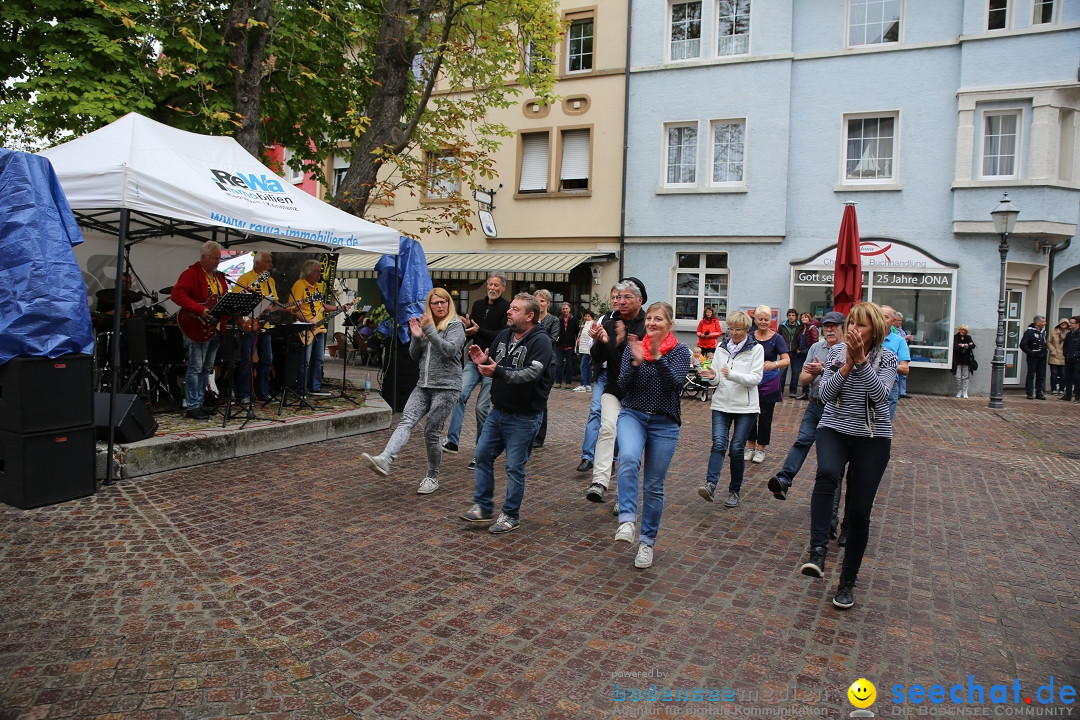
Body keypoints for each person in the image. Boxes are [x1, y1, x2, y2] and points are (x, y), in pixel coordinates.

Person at [799, 302, 898, 611]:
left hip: (873, 438)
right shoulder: (835, 353)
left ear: (876, 330)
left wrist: (861, 364)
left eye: (862, 325)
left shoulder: (889, 358)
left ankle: (847, 582)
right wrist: (846, 365)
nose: (854, 329)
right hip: (835, 428)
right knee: (827, 473)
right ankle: (817, 551)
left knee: (858, 513)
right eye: (852, 323)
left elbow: (881, 398)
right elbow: (823, 394)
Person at [459, 293, 553, 533]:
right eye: (510, 308)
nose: (508, 311)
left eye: (515, 309)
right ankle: (483, 507)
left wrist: (497, 371)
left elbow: (530, 375)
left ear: (529, 316)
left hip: (525, 417)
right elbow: (494, 363)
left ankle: (511, 515)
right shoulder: (504, 335)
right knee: (481, 455)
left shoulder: (540, 341)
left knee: (514, 467)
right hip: (498, 412)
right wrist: (483, 361)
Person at [359, 288, 466, 494]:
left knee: (431, 433)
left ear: (449, 303)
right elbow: (415, 355)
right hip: (423, 385)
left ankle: (432, 477)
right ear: (430, 305)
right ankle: (385, 459)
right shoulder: (427, 326)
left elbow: (449, 350)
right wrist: (416, 337)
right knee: (406, 421)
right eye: (435, 303)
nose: (440, 306)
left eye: (444, 301)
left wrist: (428, 331)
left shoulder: (455, 325)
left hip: (447, 388)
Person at [613, 302, 692, 569]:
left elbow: (675, 384)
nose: (652, 323)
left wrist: (657, 357)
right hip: (633, 414)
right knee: (629, 459)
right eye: (649, 318)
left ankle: (646, 543)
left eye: (658, 319)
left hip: (664, 422)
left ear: (670, 325)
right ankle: (626, 520)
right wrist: (636, 362)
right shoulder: (633, 347)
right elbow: (623, 385)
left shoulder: (681, 351)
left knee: (654, 486)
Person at [765, 311, 846, 502]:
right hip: (815, 405)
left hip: (836, 409)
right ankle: (784, 479)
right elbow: (802, 379)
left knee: (833, 460)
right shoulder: (816, 347)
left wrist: (824, 370)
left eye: (834, 326)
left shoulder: (848, 350)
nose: (829, 329)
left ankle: (830, 511)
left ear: (843, 327)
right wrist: (815, 373)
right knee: (803, 440)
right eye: (826, 326)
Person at [585, 278, 647, 502]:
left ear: (640, 300)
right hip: (613, 388)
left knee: (629, 446)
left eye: (627, 297)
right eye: (619, 297)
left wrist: (620, 343)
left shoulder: (647, 325)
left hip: (639, 393)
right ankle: (599, 482)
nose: (621, 301)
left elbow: (639, 362)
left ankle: (625, 495)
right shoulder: (610, 324)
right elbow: (598, 359)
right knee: (607, 429)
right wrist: (601, 342)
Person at [695, 311, 763, 509]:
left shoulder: (756, 349)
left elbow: (755, 378)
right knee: (718, 444)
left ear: (747, 330)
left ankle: (734, 490)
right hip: (721, 403)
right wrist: (711, 375)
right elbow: (717, 378)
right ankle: (710, 485)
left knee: (736, 448)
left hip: (746, 407)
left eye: (738, 329)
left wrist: (731, 374)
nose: (734, 333)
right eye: (731, 328)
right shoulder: (721, 348)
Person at [444, 272, 510, 457]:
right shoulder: (478, 305)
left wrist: (480, 330)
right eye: (490, 284)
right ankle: (452, 442)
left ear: (503, 288)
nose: (492, 288)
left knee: (481, 407)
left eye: (497, 285)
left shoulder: (506, 308)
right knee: (459, 395)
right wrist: (467, 328)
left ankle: (480, 451)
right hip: (474, 362)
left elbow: (502, 335)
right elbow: (473, 332)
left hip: (492, 364)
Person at [171, 241, 227, 420]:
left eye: (219, 258)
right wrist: (199, 309)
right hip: (198, 327)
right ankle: (193, 405)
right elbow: (177, 294)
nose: (217, 262)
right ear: (203, 257)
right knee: (195, 367)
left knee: (207, 368)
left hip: (215, 328)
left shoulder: (219, 277)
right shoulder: (191, 274)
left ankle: (201, 402)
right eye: (214, 258)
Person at [288, 259, 347, 397]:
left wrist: (340, 307)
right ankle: (301, 389)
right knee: (305, 360)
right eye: (317, 271)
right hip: (305, 328)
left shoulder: (318, 287)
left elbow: (323, 306)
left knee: (319, 359)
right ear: (309, 272)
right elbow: (293, 309)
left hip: (319, 327)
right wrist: (307, 321)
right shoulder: (299, 285)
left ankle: (315, 387)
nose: (319, 274)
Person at [577, 288, 619, 473]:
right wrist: (597, 340)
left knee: (617, 418)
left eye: (620, 297)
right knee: (595, 411)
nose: (617, 301)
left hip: (619, 375)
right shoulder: (603, 319)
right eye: (613, 298)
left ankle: (612, 458)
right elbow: (594, 349)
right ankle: (588, 456)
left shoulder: (631, 323)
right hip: (603, 373)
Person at [745, 305, 790, 465]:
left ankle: (761, 448)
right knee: (749, 414)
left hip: (769, 382)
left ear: (770, 320)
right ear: (755, 320)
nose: (763, 322)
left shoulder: (776, 338)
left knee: (765, 417)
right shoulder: (749, 337)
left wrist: (775, 363)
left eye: (766, 319)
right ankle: (750, 447)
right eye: (760, 319)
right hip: (751, 382)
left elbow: (786, 359)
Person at [231, 251, 278, 404]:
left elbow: (274, 302)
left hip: (265, 324)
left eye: (271, 262)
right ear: (257, 263)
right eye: (267, 262)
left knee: (267, 359)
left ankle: (262, 392)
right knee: (247, 360)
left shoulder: (270, 281)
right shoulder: (245, 278)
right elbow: (236, 301)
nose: (270, 265)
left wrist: (271, 306)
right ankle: (244, 394)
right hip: (249, 323)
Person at [532, 289, 559, 449]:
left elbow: (551, 340)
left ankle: (539, 436)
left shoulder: (553, 320)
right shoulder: (531, 318)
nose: (539, 303)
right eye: (537, 300)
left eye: (542, 301)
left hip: (549, 364)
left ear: (548, 303)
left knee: (542, 399)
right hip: (532, 362)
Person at [879, 306, 911, 420]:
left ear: (893, 322)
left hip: (890, 385)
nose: (881, 319)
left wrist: (887, 364)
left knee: (884, 424)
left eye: (885, 317)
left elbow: (905, 369)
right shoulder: (868, 337)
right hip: (865, 384)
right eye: (879, 316)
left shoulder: (899, 341)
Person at [790, 312, 819, 399]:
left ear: (809, 318)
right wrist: (797, 348)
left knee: (808, 371)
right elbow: (799, 341)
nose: (804, 319)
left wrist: (810, 351)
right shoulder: (801, 329)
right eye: (802, 317)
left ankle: (808, 392)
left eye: (806, 317)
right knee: (801, 372)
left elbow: (814, 341)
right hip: (801, 353)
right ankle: (805, 392)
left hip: (808, 353)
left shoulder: (812, 328)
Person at [1020, 315, 1048, 400]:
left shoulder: (1043, 332)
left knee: (1041, 375)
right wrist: (1030, 352)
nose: (1045, 323)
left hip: (1041, 356)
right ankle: (1029, 392)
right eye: (1043, 322)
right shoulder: (1029, 332)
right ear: (1038, 323)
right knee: (1031, 374)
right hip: (1033, 356)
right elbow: (1023, 344)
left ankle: (1039, 392)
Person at [554, 302, 579, 389]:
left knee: (569, 365)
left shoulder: (574, 319)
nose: (565, 310)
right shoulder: (558, 319)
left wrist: (577, 343)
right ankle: (558, 382)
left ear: (569, 309)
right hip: (560, 345)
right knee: (559, 364)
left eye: (566, 309)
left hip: (570, 345)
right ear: (561, 310)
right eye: (563, 309)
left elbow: (577, 332)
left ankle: (568, 383)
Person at [951, 324, 976, 399]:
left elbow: (973, 346)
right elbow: (955, 347)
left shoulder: (968, 337)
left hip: (966, 360)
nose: (963, 331)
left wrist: (963, 345)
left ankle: (965, 391)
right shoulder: (955, 337)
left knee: (965, 376)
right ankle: (959, 391)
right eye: (962, 329)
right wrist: (965, 345)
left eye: (965, 330)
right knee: (958, 376)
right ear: (959, 329)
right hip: (958, 359)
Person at [778, 309, 799, 393]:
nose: (791, 317)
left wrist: (799, 347)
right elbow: (778, 337)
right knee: (782, 373)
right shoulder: (782, 326)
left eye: (793, 315)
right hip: (785, 351)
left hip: (796, 352)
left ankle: (793, 392)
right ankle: (780, 391)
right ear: (787, 316)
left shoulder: (800, 326)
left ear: (796, 316)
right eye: (789, 315)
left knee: (795, 372)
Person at [574, 310, 595, 393]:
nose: (586, 317)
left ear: (592, 317)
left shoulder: (592, 325)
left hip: (588, 350)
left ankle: (583, 385)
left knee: (583, 367)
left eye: (588, 316)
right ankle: (587, 385)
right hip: (582, 349)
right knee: (587, 367)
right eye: (585, 316)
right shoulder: (583, 325)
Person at [1061, 316, 1080, 402]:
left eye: (1072, 323)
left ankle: (1078, 396)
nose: (1070, 324)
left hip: (1077, 360)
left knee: (1077, 378)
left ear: (1078, 324)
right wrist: (1066, 354)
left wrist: (1076, 355)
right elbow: (1065, 345)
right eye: (1070, 322)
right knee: (1067, 377)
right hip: (1068, 359)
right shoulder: (1069, 334)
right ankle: (1068, 395)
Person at [894, 311, 913, 397]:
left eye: (901, 320)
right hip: (896, 354)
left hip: (903, 354)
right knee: (897, 373)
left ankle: (902, 392)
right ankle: (897, 392)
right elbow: (896, 340)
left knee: (903, 374)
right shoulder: (892, 329)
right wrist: (905, 337)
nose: (900, 322)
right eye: (898, 320)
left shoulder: (902, 329)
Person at [1048, 319, 1069, 395]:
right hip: (1054, 355)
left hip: (1064, 356)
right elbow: (1049, 341)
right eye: (1062, 323)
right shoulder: (1053, 331)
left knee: (1063, 373)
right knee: (1054, 373)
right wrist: (1052, 350)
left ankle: (1062, 389)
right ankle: (1053, 388)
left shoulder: (1069, 333)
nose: (1063, 325)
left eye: (1065, 323)